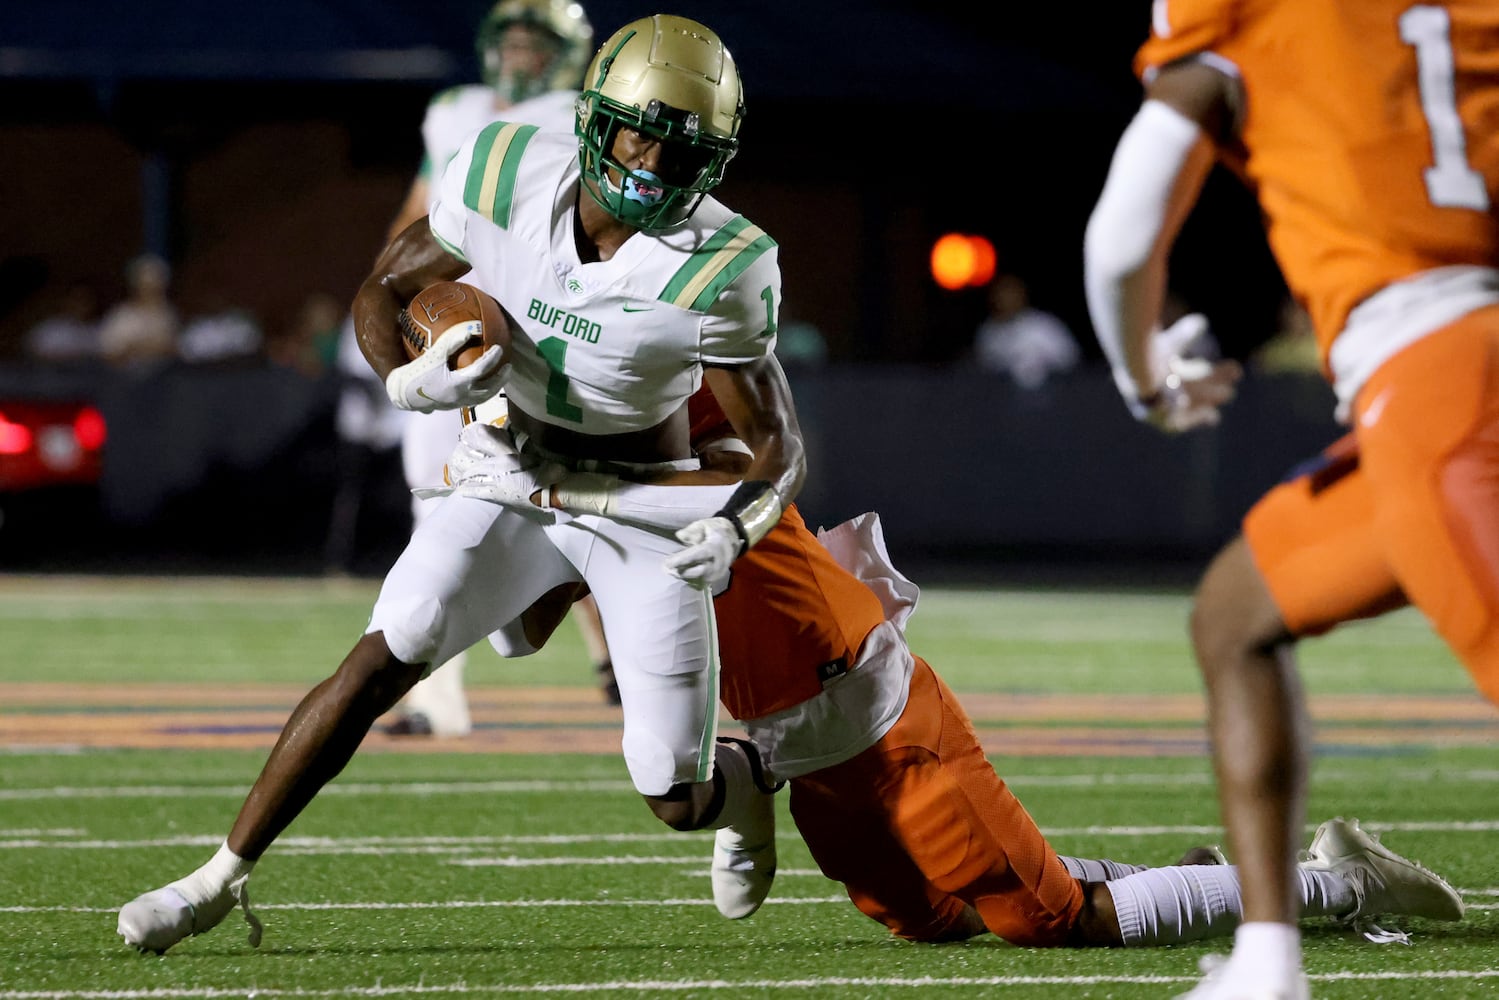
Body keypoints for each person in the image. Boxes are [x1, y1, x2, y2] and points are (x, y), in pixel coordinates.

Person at [115, 384, 1466, 954]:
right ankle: (1189, 864)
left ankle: (1333, 880)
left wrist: (536, 471)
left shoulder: (692, 424)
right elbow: (532, 593)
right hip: (781, 738)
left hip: (858, 705)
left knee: (1044, 923)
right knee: (936, 922)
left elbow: (734, 469)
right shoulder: (570, 431)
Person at [117, 12, 806, 953]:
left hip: (637, 508)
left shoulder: (729, 265)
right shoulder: (504, 168)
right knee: (381, 655)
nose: (649, 163)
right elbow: (382, 288)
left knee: (673, 795)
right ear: (595, 117)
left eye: (682, 149)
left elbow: (778, 448)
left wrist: (739, 524)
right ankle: (215, 878)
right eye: (638, 130)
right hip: (508, 477)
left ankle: (745, 784)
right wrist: (407, 377)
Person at [1082, 3, 1499, 996]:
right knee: (1235, 614)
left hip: (1441, 386)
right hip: (1425, 403)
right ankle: (1266, 961)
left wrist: (1145, 379)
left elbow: (1120, 235)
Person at [374, 0, 618, 734]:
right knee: (433, 503)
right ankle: (434, 695)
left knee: (568, 501)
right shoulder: (454, 108)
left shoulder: (582, 113)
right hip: (447, 323)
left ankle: (621, 659)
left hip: (527, 323)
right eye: (509, 42)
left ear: (565, 54)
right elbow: (418, 210)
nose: (518, 56)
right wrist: (390, 298)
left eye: (534, 44)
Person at [972, 272, 1079, 390]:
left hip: (1048, 396)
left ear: (1022, 295)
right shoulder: (988, 333)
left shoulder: (1042, 326)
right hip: (1004, 398)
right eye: (1001, 293)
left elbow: (1071, 361)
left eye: (1012, 292)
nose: (1006, 298)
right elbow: (984, 369)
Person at [97, 253, 179, 372]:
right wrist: (140, 348)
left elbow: (174, 349)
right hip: (127, 381)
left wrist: (143, 347)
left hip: (163, 381)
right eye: (147, 286)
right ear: (136, 287)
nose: (153, 291)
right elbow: (109, 354)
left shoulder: (168, 314)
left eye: (157, 286)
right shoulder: (121, 315)